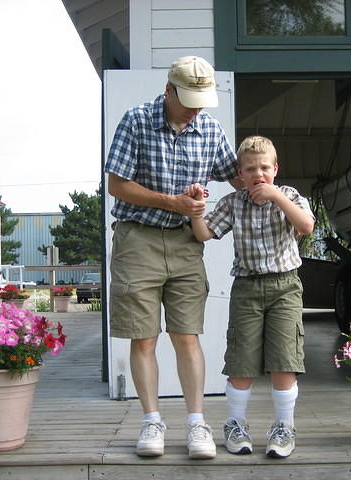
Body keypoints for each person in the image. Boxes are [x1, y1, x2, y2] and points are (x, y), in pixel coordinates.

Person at [104, 56, 241, 459]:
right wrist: (172, 202)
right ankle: (151, 420)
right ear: (168, 91)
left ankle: (197, 423)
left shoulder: (210, 129)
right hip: (138, 240)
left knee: (187, 335)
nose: (197, 108)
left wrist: (270, 190)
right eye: (190, 100)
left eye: (203, 100)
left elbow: (237, 174)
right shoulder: (136, 120)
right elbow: (117, 184)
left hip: (186, 244)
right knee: (143, 337)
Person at [186, 135, 315, 458]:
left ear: (275, 169)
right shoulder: (233, 203)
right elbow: (204, 233)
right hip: (246, 288)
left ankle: (284, 426)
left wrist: (276, 197)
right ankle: (236, 423)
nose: (258, 175)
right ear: (240, 175)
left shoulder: (289, 195)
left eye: (264, 168)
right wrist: (196, 208)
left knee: (284, 358)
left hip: (285, 287)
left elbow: (306, 226)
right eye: (250, 169)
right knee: (241, 359)